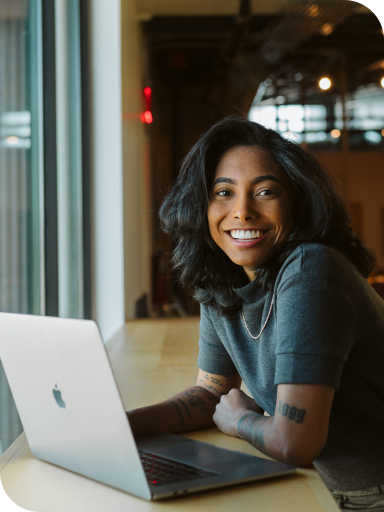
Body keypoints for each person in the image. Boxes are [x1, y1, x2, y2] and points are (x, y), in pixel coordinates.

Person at [127, 116, 384, 511]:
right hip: (327, 486)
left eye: (265, 191)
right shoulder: (222, 280)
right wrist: (122, 426)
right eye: (224, 192)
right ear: (202, 204)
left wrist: (241, 421)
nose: (243, 211)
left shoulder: (310, 271)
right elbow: (211, 393)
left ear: (296, 203)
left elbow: (293, 441)